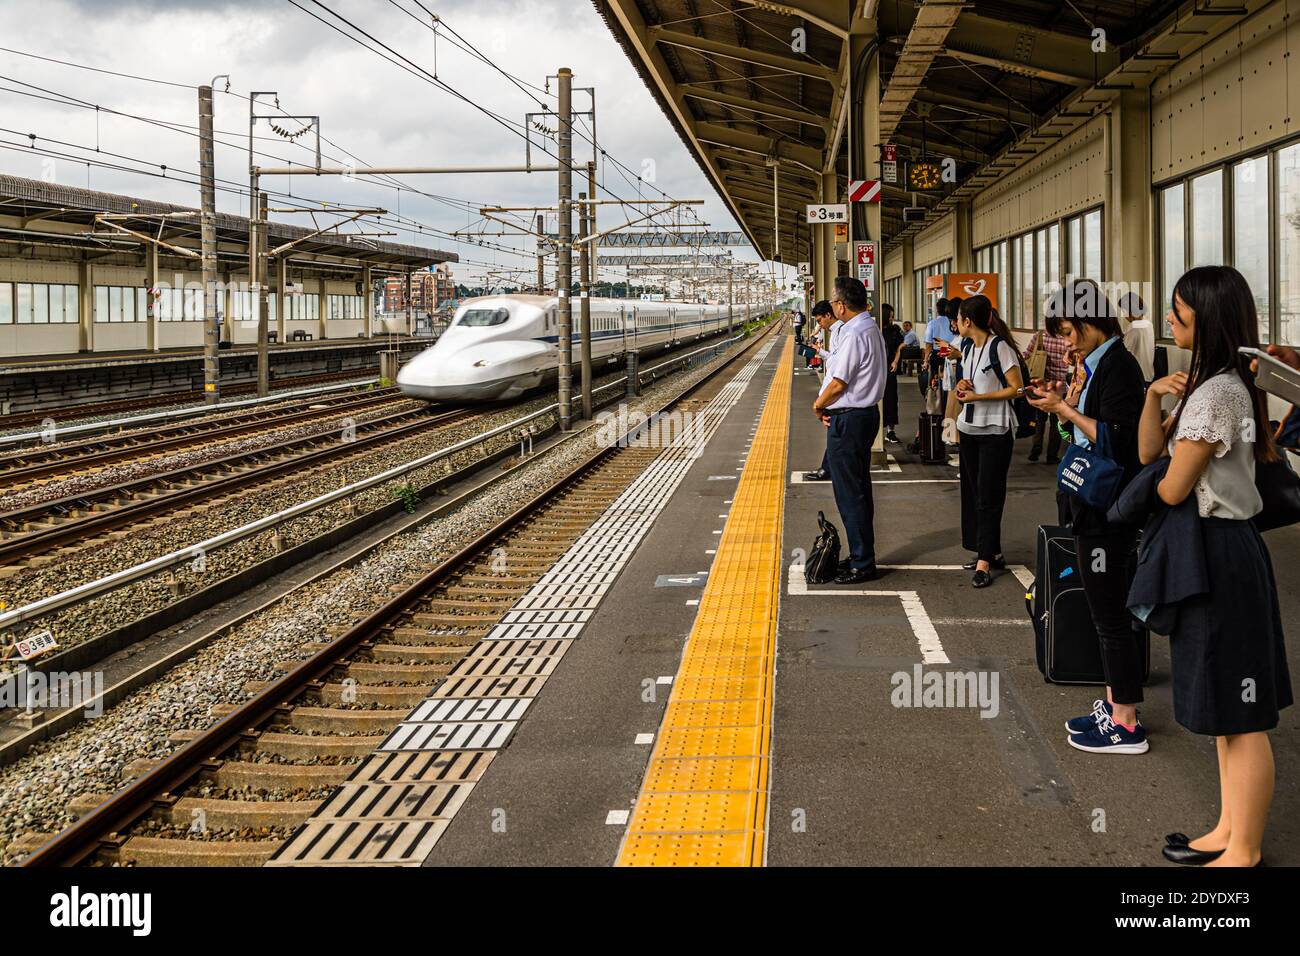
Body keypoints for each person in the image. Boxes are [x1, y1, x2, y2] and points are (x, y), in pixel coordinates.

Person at [1137, 266, 1290, 867]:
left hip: (1221, 552)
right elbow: (1150, 451)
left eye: (1178, 315)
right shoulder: (1215, 384)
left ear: (1207, 322)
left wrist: (1165, 465)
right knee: (1227, 707)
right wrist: (1154, 396)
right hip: (1219, 550)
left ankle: (1244, 850)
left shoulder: (1217, 393)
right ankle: (1228, 829)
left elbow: (1171, 488)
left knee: (1244, 715)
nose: (1170, 323)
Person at [1027, 279, 1149, 755]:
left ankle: (1127, 722)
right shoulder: (1099, 365)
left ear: (1094, 323)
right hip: (1092, 506)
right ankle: (1114, 702)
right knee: (1105, 613)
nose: (1067, 341)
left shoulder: (1118, 366)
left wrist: (1065, 409)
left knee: (1109, 615)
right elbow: (1085, 431)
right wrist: (1063, 405)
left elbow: (1118, 439)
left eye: (1070, 331)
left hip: (1106, 512)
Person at [813, 276, 887, 583]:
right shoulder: (869, 328)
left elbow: (839, 382)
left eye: (833, 300)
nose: (831, 304)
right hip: (862, 416)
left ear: (842, 305)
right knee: (858, 490)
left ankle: (862, 562)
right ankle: (860, 555)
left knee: (850, 493)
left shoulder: (856, 333)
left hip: (850, 419)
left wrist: (818, 405)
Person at [952, 296, 1022, 588]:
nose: (955, 324)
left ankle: (985, 561)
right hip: (969, 428)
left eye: (958, 319)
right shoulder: (968, 347)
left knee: (988, 495)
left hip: (995, 430)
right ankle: (988, 549)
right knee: (972, 494)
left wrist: (978, 397)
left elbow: (1017, 389)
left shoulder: (1000, 347)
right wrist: (961, 386)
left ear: (968, 322)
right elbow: (969, 383)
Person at [1023, 322, 1071, 463]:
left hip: (1041, 383)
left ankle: (1035, 450)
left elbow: (1027, 354)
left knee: (1039, 419)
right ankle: (1052, 455)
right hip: (1059, 386)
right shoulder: (1066, 338)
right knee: (1056, 421)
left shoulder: (1040, 335)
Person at [802, 300, 838, 481]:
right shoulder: (837, 332)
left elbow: (840, 377)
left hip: (839, 399)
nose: (819, 324)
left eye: (819, 320)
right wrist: (820, 352)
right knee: (835, 439)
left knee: (836, 438)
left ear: (828, 315)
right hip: (836, 399)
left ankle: (827, 470)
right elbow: (835, 360)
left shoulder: (843, 332)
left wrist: (819, 404)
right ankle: (827, 468)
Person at [1119, 291, 1155, 383]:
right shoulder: (1148, 323)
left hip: (1136, 376)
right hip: (1148, 375)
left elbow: (1124, 353)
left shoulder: (1134, 326)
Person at [881, 303, 904, 444]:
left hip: (890, 368)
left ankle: (891, 431)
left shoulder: (894, 330)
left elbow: (900, 346)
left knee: (891, 398)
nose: (892, 318)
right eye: (890, 315)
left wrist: (895, 361)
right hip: (877, 369)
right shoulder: (875, 329)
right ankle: (876, 431)